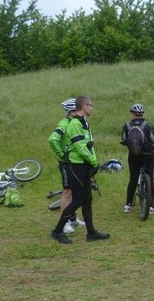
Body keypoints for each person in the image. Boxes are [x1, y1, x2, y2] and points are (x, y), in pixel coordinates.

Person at [50, 96, 109, 244]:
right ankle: (57, 232)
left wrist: (92, 163)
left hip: (84, 165)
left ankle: (91, 233)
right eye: (90, 105)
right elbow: (80, 147)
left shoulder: (84, 122)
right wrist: (94, 162)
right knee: (77, 200)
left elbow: (89, 144)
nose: (92, 108)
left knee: (87, 199)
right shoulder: (74, 124)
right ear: (83, 106)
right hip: (76, 166)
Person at [48, 98, 86, 234]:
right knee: (67, 192)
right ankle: (64, 223)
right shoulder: (64, 124)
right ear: (72, 111)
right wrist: (62, 154)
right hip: (65, 163)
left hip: (72, 162)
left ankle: (73, 219)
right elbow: (52, 139)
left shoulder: (74, 122)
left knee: (74, 191)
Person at [120, 103, 154, 214]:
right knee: (150, 179)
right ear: (142, 114)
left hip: (133, 155)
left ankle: (128, 205)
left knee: (133, 179)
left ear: (132, 114)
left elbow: (123, 140)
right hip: (147, 155)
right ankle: (151, 206)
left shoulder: (127, 125)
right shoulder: (147, 125)